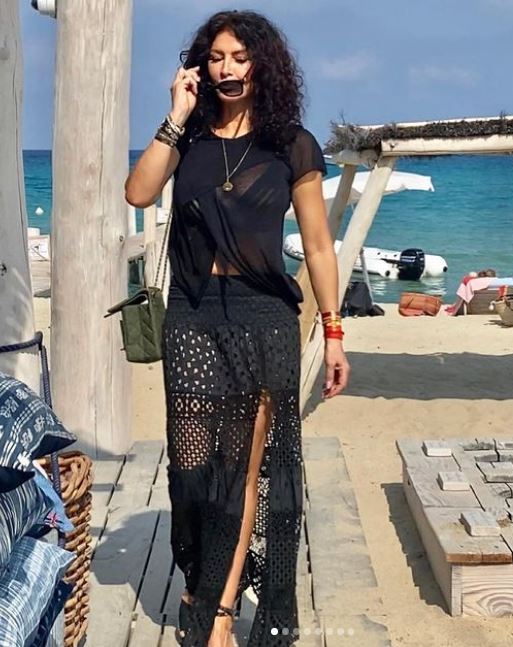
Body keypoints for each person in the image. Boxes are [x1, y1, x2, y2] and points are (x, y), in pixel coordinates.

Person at [124, 10, 350, 647]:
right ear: (201, 65)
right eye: (217, 57)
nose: (227, 69)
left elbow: (319, 246)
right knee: (194, 472)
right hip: (192, 318)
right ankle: (203, 576)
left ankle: (219, 611)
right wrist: (175, 114)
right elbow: (138, 193)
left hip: (262, 320)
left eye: (240, 58)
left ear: (262, 66)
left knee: (241, 471)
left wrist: (333, 333)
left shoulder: (291, 145)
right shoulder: (188, 137)